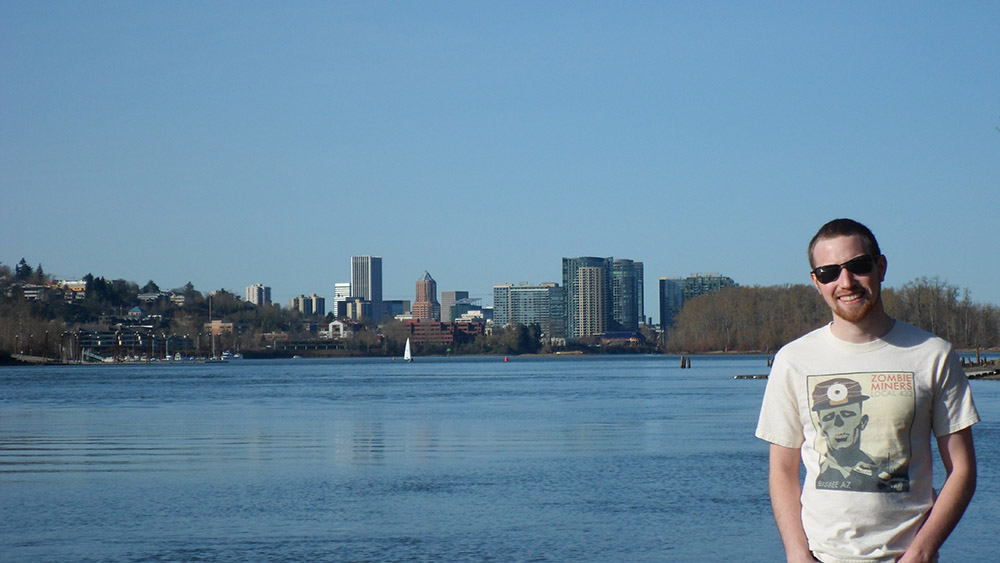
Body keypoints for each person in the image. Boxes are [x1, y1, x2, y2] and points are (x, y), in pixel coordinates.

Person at [755, 218, 979, 563]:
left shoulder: (932, 355)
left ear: (881, 266)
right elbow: (782, 472)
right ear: (816, 282)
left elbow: (962, 469)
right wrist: (797, 554)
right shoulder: (793, 360)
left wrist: (922, 550)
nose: (846, 282)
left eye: (858, 266)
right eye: (829, 272)